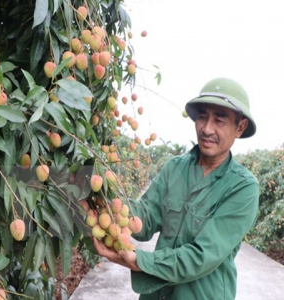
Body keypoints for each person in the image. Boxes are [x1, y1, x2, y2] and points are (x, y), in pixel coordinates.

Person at [93, 77, 259, 300]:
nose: (207, 128)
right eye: (202, 117)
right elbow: (145, 218)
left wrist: (139, 261)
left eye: (219, 121)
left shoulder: (243, 188)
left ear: (240, 127)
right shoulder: (175, 168)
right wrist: (110, 204)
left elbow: (202, 256)